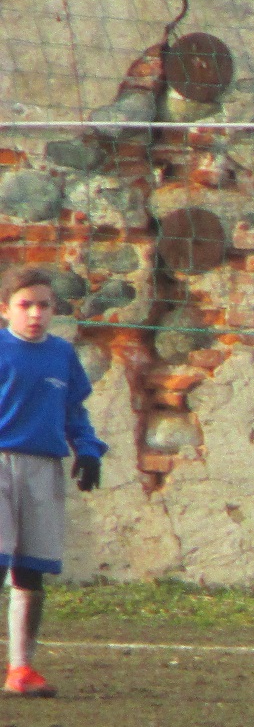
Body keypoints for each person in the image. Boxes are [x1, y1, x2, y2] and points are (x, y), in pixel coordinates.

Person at [0, 265, 105, 698]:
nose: (35, 314)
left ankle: (21, 669)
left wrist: (88, 449)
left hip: (44, 468)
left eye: (44, 305)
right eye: (25, 305)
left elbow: (74, 411)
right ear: (5, 308)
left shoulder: (61, 354)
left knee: (31, 570)